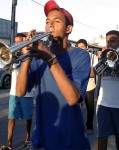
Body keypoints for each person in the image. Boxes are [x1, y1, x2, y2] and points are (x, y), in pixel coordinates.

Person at [15, 0, 91, 149]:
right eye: (48, 21)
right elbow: (20, 91)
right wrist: (27, 57)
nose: (50, 25)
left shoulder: (81, 55)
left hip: (71, 140)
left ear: (68, 28)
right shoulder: (39, 55)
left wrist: (50, 59)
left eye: (57, 21)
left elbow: (72, 98)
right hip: (42, 140)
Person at [0, 33, 34, 150]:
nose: (17, 44)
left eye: (20, 41)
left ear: (24, 42)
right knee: (11, 117)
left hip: (27, 93)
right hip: (14, 92)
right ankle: (9, 143)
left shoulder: (29, 55)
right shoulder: (13, 56)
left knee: (27, 118)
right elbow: (7, 67)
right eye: (16, 42)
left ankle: (28, 138)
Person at [76, 39, 98, 135]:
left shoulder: (93, 57)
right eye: (79, 47)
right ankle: (77, 126)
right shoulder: (75, 57)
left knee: (90, 108)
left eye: (82, 47)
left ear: (87, 47)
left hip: (89, 86)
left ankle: (89, 126)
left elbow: (93, 73)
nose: (80, 49)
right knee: (75, 108)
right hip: (77, 86)